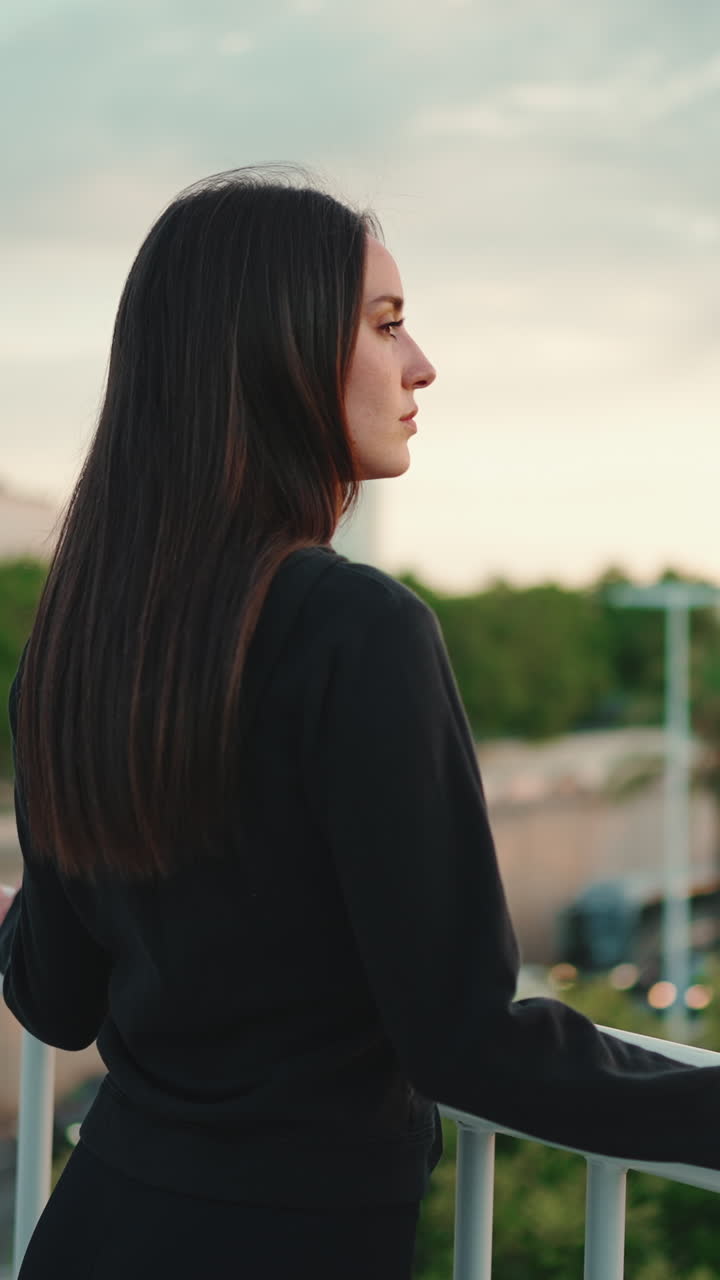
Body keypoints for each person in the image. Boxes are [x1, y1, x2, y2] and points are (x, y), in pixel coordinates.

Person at [2, 167, 720, 1280]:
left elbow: (55, 993)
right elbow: (470, 1041)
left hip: (102, 1221)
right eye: (387, 325)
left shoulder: (79, 642)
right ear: (275, 353)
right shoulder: (356, 629)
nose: (421, 364)